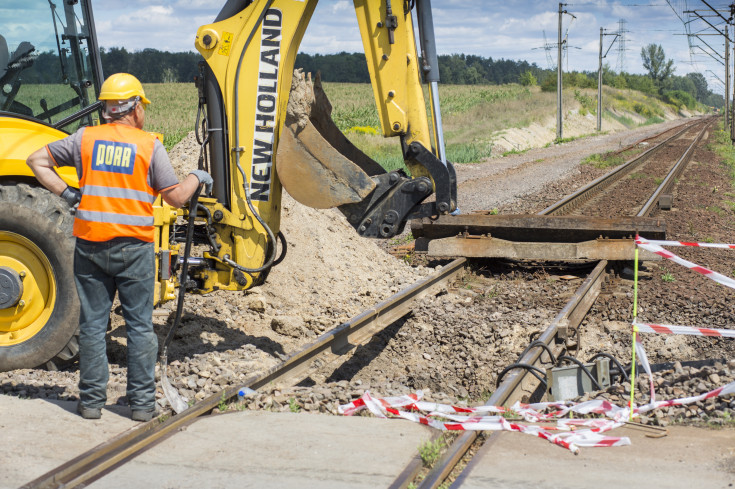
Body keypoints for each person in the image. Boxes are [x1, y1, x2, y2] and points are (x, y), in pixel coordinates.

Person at [26, 73, 212, 422]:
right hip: (135, 249)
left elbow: (36, 161)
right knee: (140, 326)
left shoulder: (85, 139)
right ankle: (141, 407)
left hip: (91, 247)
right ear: (135, 107)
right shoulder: (148, 145)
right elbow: (174, 196)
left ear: (108, 108)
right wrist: (197, 177)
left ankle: (92, 404)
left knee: (93, 326)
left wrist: (68, 195)